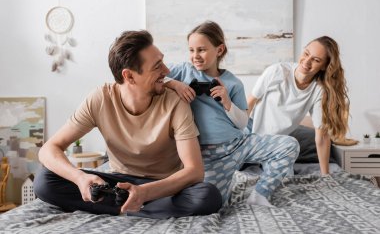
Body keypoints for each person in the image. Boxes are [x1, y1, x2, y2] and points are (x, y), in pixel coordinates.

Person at [34, 30, 222, 219]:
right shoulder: (100, 99)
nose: (166, 71)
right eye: (157, 67)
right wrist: (80, 178)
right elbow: (48, 150)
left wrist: (145, 192)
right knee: (45, 180)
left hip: (161, 187)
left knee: (207, 196)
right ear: (130, 76)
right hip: (117, 183)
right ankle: (140, 208)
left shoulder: (175, 102)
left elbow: (194, 171)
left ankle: (125, 206)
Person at [165, 21, 299, 206]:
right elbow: (153, 74)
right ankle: (229, 184)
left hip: (238, 144)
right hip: (208, 156)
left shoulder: (233, 82)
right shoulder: (182, 71)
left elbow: (242, 123)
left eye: (201, 50)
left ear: (219, 50)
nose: (195, 56)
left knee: (289, 145)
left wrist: (227, 103)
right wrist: (174, 84)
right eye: (191, 50)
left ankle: (260, 194)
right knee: (213, 204)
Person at [246, 36, 350, 175]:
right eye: (306, 53)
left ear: (324, 66)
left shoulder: (319, 90)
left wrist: (326, 176)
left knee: (285, 182)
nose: (307, 62)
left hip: (278, 146)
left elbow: (322, 136)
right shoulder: (277, 71)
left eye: (316, 60)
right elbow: (249, 104)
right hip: (249, 132)